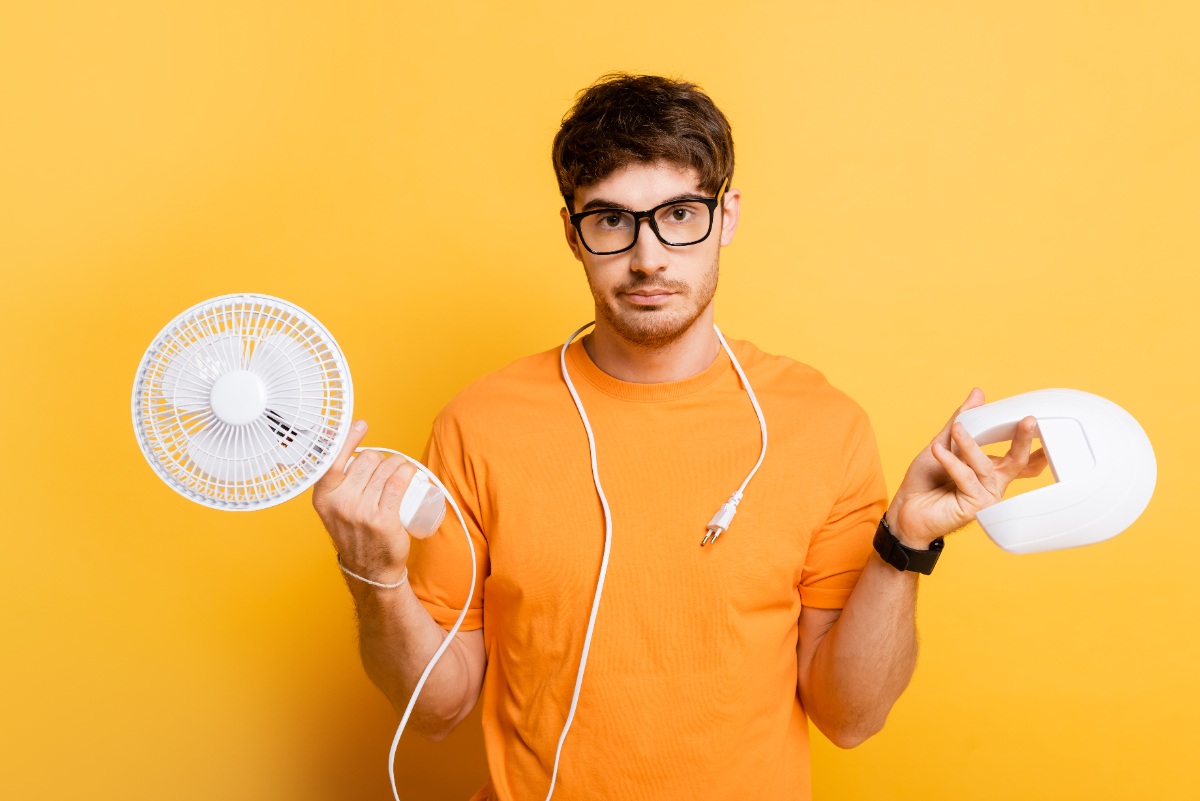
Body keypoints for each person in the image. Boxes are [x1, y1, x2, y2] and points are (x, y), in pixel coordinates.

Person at [312, 73, 1047, 801]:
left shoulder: (823, 424)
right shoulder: (479, 424)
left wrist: (904, 543)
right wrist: (373, 571)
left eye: (679, 215)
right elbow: (439, 707)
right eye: (611, 220)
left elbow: (850, 717)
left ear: (726, 216)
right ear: (572, 234)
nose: (649, 257)